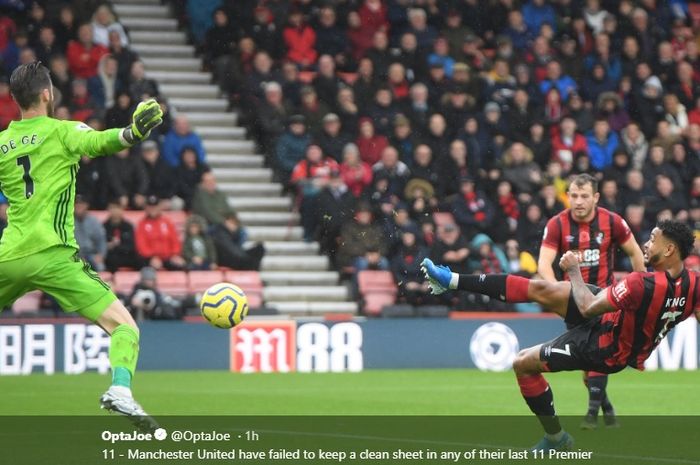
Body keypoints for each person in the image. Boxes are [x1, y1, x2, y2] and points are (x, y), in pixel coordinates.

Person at [421, 220, 698, 452]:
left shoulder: (641, 283)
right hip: (612, 323)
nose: (646, 244)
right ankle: (451, 280)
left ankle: (556, 438)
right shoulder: (695, 283)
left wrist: (574, 270)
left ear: (670, 248)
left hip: (604, 348)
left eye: (652, 239)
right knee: (545, 290)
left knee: (522, 363)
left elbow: (588, 306)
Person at [0, 62, 162, 428]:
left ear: (14, 100)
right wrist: (135, 131)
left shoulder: (1, 144)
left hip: (8, 256)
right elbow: (103, 141)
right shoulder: (63, 132)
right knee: (124, 327)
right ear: (47, 94)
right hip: (54, 255)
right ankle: (120, 390)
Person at [537, 173, 645, 428]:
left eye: (584, 196)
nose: (578, 201)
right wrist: (556, 293)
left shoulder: (612, 221)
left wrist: (640, 288)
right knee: (587, 361)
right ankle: (606, 407)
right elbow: (544, 262)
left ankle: (591, 414)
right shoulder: (557, 224)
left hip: (603, 300)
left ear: (596, 197)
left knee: (598, 353)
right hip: (572, 303)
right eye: (573, 195)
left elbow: (635, 253)